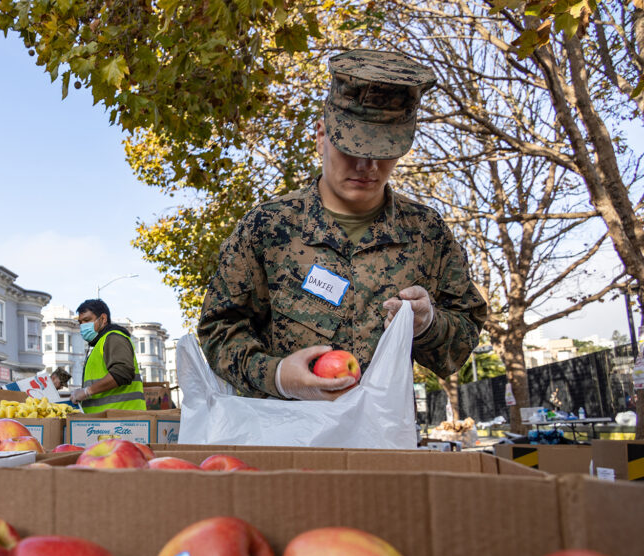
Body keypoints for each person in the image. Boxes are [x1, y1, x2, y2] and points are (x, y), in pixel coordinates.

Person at [197, 49, 488, 401]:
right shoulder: (266, 228)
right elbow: (219, 329)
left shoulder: (427, 233)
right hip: (286, 436)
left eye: (382, 151)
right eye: (352, 147)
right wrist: (275, 376)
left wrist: (428, 325)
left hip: (381, 439)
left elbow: (460, 344)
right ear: (322, 135)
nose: (367, 165)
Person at [70, 299, 147, 413]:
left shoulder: (113, 338)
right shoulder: (99, 345)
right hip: (107, 422)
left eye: (87, 320)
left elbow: (122, 372)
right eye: (80, 323)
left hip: (122, 420)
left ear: (103, 319)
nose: (83, 326)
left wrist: (87, 391)